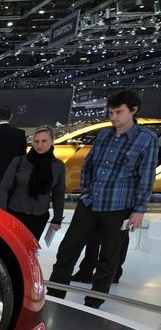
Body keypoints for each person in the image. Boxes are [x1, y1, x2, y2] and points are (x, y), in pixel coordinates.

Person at [47, 89, 158, 308]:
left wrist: (139, 210)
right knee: (68, 250)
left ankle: (94, 304)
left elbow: (146, 176)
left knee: (108, 257)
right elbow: (88, 166)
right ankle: (54, 295)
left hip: (119, 208)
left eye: (118, 112)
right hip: (90, 203)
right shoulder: (105, 135)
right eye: (111, 112)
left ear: (133, 110)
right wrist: (85, 192)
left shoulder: (146, 139)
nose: (113, 117)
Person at [0, 126, 65, 242]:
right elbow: (4, 188)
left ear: (52, 141)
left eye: (44, 141)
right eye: (36, 141)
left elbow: (58, 194)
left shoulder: (58, 166)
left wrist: (57, 219)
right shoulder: (20, 161)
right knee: (8, 246)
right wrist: (3, 214)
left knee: (29, 249)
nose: (39, 145)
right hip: (15, 215)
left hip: (39, 217)